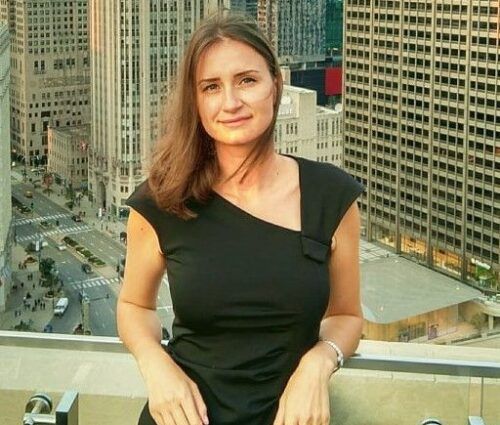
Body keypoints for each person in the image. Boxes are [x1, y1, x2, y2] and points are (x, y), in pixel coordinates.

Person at [118, 13, 364, 425]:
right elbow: (133, 305)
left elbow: (346, 316)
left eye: (247, 80)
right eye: (211, 87)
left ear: (276, 86)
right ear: (196, 103)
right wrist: (156, 366)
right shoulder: (163, 199)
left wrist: (319, 363)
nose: (230, 102)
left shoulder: (332, 197)